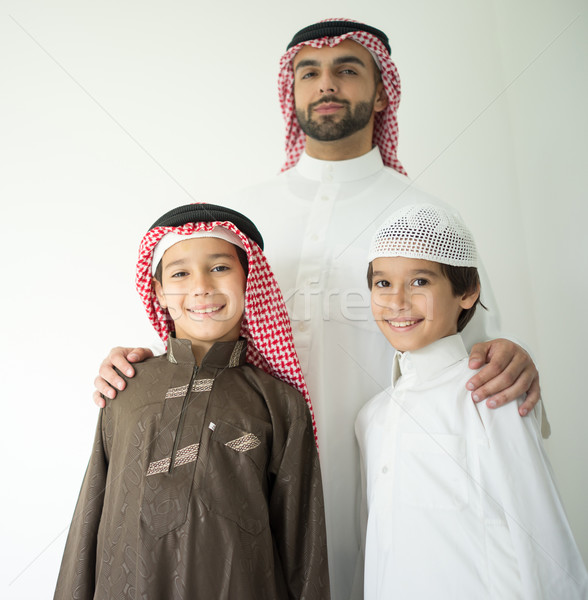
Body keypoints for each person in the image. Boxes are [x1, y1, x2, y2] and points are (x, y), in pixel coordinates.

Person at [92, 20, 542, 599]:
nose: (326, 84)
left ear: (382, 92)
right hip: (252, 483)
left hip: (386, 484)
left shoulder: (424, 214)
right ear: (292, 90)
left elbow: (479, 349)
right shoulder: (243, 214)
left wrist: (514, 356)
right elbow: (198, 318)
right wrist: (135, 369)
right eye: (310, 72)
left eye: (348, 69)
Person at [55, 203, 330, 599]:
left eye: (219, 267)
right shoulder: (125, 389)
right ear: (159, 292)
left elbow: (303, 545)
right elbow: (89, 519)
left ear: (250, 280)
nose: (201, 286)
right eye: (180, 273)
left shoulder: (280, 405)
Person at [356, 203, 587, 599]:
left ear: (467, 292)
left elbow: (543, 531)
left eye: (420, 282)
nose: (396, 301)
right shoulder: (372, 417)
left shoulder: (489, 388)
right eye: (382, 284)